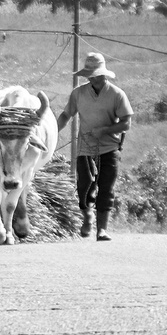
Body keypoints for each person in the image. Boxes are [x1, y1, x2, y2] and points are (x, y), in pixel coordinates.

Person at [56, 52, 133, 241]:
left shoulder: (116, 94)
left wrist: (105, 130)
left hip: (109, 148)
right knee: (84, 186)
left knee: (106, 188)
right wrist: (53, 130)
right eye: (91, 75)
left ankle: (102, 230)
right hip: (85, 148)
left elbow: (126, 123)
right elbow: (67, 115)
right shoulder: (79, 93)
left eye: (96, 74)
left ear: (103, 74)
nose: (93, 78)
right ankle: (87, 217)